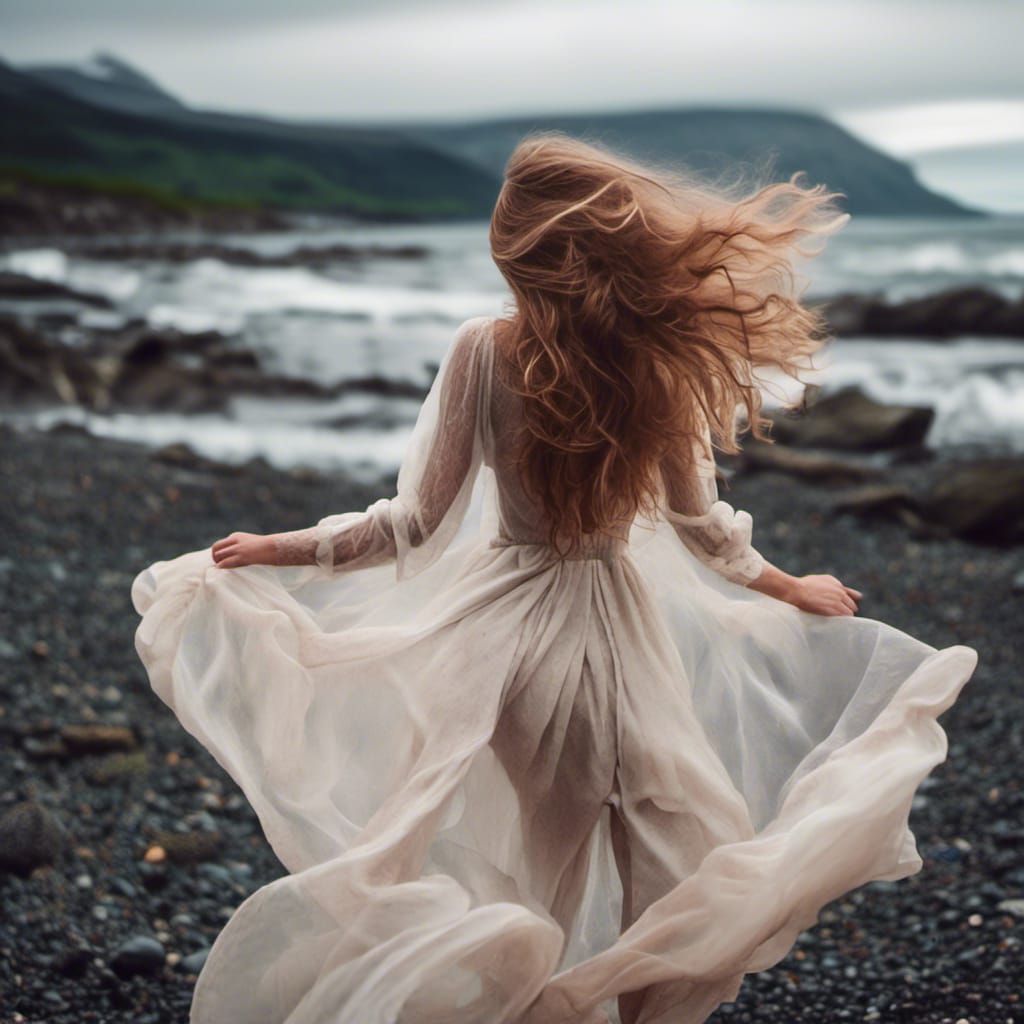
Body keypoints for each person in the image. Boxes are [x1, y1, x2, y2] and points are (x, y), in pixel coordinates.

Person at [131, 131, 978, 1024]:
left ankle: (556, 999)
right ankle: (569, 1004)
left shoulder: (488, 350)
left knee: (570, 842)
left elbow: (414, 522)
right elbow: (701, 530)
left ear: (527, 258)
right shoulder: (646, 358)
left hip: (511, 628)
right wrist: (786, 583)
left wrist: (288, 545)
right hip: (600, 623)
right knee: (669, 830)